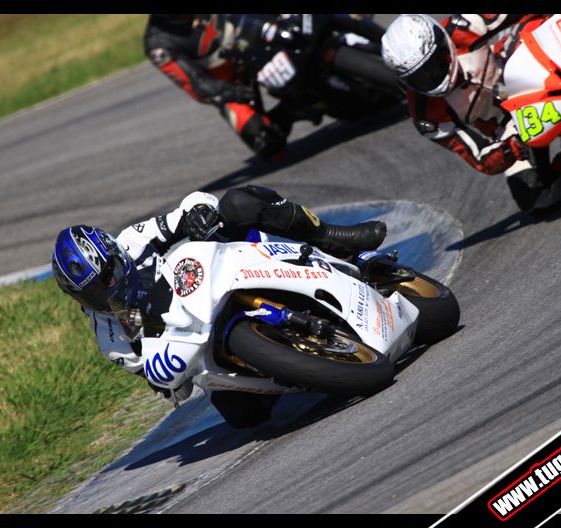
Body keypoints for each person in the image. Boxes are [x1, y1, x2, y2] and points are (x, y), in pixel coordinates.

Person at [51, 185, 387, 400]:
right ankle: (295, 366)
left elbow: (192, 204)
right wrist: (165, 381)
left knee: (238, 203)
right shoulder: (109, 336)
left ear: (114, 254)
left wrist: (198, 215)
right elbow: (170, 388)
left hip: (216, 272)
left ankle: (334, 239)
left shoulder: (133, 240)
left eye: (106, 276)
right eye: (89, 293)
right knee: (242, 418)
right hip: (203, 340)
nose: (103, 291)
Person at [380, 14, 561, 215]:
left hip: (541, 55)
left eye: (435, 65)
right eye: (420, 78)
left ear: (444, 44)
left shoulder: (468, 23)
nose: (433, 78)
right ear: (405, 81)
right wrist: (514, 142)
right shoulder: (428, 118)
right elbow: (481, 159)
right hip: (516, 122)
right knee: (536, 197)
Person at [144, 14, 291, 160]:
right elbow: (198, 85)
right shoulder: (157, 44)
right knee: (269, 146)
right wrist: (232, 92)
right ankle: (288, 113)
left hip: (261, 44)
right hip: (233, 83)